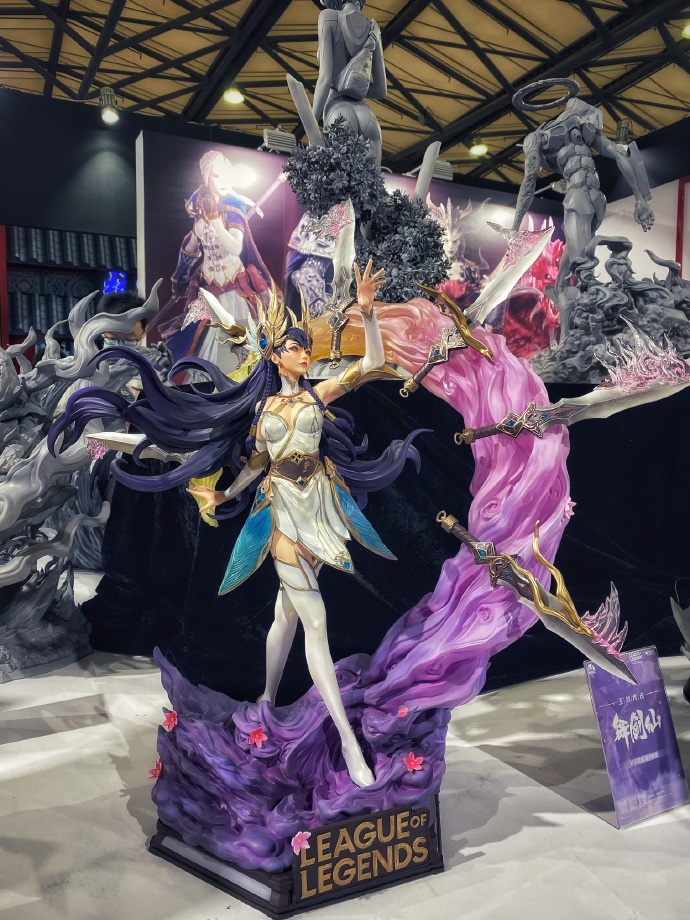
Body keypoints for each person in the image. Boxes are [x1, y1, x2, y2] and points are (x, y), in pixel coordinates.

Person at [50, 261, 420, 788]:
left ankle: (267, 696)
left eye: (304, 346)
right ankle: (346, 740)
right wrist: (224, 493)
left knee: (285, 616)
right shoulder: (260, 409)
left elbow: (374, 363)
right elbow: (255, 465)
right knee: (315, 623)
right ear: (274, 353)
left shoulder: (316, 395)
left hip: (322, 509)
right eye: (294, 346)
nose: (304, 352)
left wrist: (367, 312)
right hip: (282, 515)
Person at [512, 80, 655, 334]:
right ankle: (568, 332)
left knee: (583, 269)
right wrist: (640, 200)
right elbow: (619, 153)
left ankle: (592, 334)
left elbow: (530, 180)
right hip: (594, 200)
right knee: (567, 274)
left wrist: (515, 227)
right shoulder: (573, 127)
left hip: (580, 199)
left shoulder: (541, 136)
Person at [159, 150, 272, 373]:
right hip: (209, 289)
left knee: (236, 354)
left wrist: (216, 223)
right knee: (202, 354)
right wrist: (181, 275)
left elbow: (236, 247)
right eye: (216, 176)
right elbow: (190, 248)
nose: (222, 182)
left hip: (234, 289)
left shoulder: (234, 206)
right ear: (206, 177)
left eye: (225, 175)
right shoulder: (200, 205)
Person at [313, 0, 387, 166]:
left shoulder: (328, 17)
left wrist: (311, 124)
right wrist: (355, 87)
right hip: (368, 117)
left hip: (338, 111)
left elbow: (324, 78)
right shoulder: (374, 30)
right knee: (372, 181)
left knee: (338, 180)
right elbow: (381, 91)